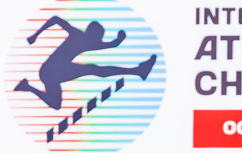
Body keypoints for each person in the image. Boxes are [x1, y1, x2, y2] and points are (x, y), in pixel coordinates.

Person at [14, 17, 158, 110]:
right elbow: (56, 19)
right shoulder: (78, 36)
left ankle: (26, 86)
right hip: (51, 70)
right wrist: (35, 35)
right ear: (91, 33)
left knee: (56, 104)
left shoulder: (88, 41)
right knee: (93, 69)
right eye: (97, 38)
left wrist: (119, 40)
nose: (97, 42)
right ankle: (138, 71)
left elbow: (110, 45)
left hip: (49, 74)